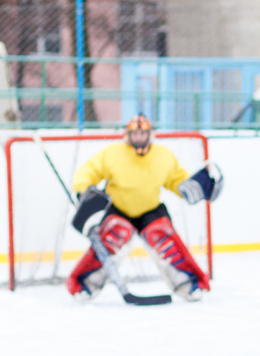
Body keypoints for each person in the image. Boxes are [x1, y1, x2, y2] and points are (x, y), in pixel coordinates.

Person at [66, 114, 221, 301]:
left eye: (142, 133)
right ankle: (83, 287)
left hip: (151, 209)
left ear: (150, 134)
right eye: (135, 133)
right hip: (119, 209)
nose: (139, 137)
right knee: (110, 241)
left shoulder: (163, 155)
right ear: (127, 134)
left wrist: (195, 186)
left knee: (166, 241)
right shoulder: (112, 153)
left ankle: (192, 286)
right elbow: (89, 170)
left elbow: (176, 180)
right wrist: (83, 191)